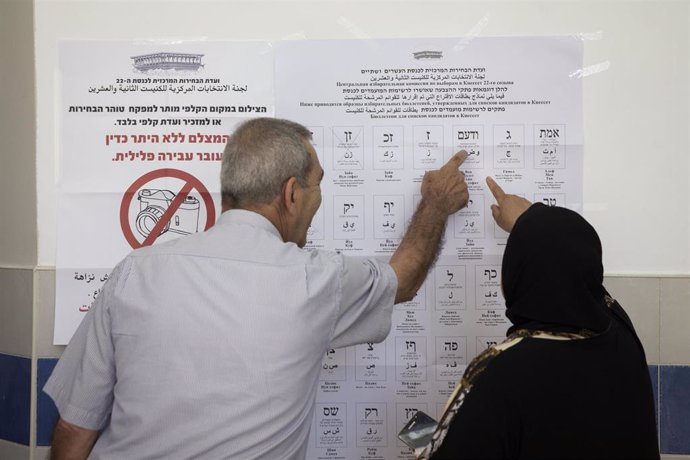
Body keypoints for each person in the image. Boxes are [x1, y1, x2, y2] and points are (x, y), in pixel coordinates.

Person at [45, 117, 470, 459]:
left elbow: (75, 426)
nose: (318, 197)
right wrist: (435, 204)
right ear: (290, 193)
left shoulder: (134, 271)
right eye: (317, 183)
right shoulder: (315, 280)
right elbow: (404, 278)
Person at [419, 177, 659, 460]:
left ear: (515, 277)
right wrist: (530, 223)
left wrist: (439, 437)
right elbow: (574, 267)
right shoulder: (619, 333)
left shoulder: (500, 373)